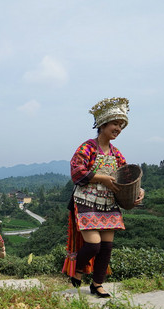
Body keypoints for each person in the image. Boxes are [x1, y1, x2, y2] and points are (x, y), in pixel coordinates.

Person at [62, 97, 145, 298]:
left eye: (121, 125)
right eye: (116, 124)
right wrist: (102, 179)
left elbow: (125, 177)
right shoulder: (87, 147)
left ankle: (97, 284)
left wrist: (139, 191)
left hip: (108, 203)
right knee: (93, 245)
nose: (119, 128)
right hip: (86, 201)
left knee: (106, 246)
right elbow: (76, 172)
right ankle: (78, 268)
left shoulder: (117, 154)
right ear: (103, 124)